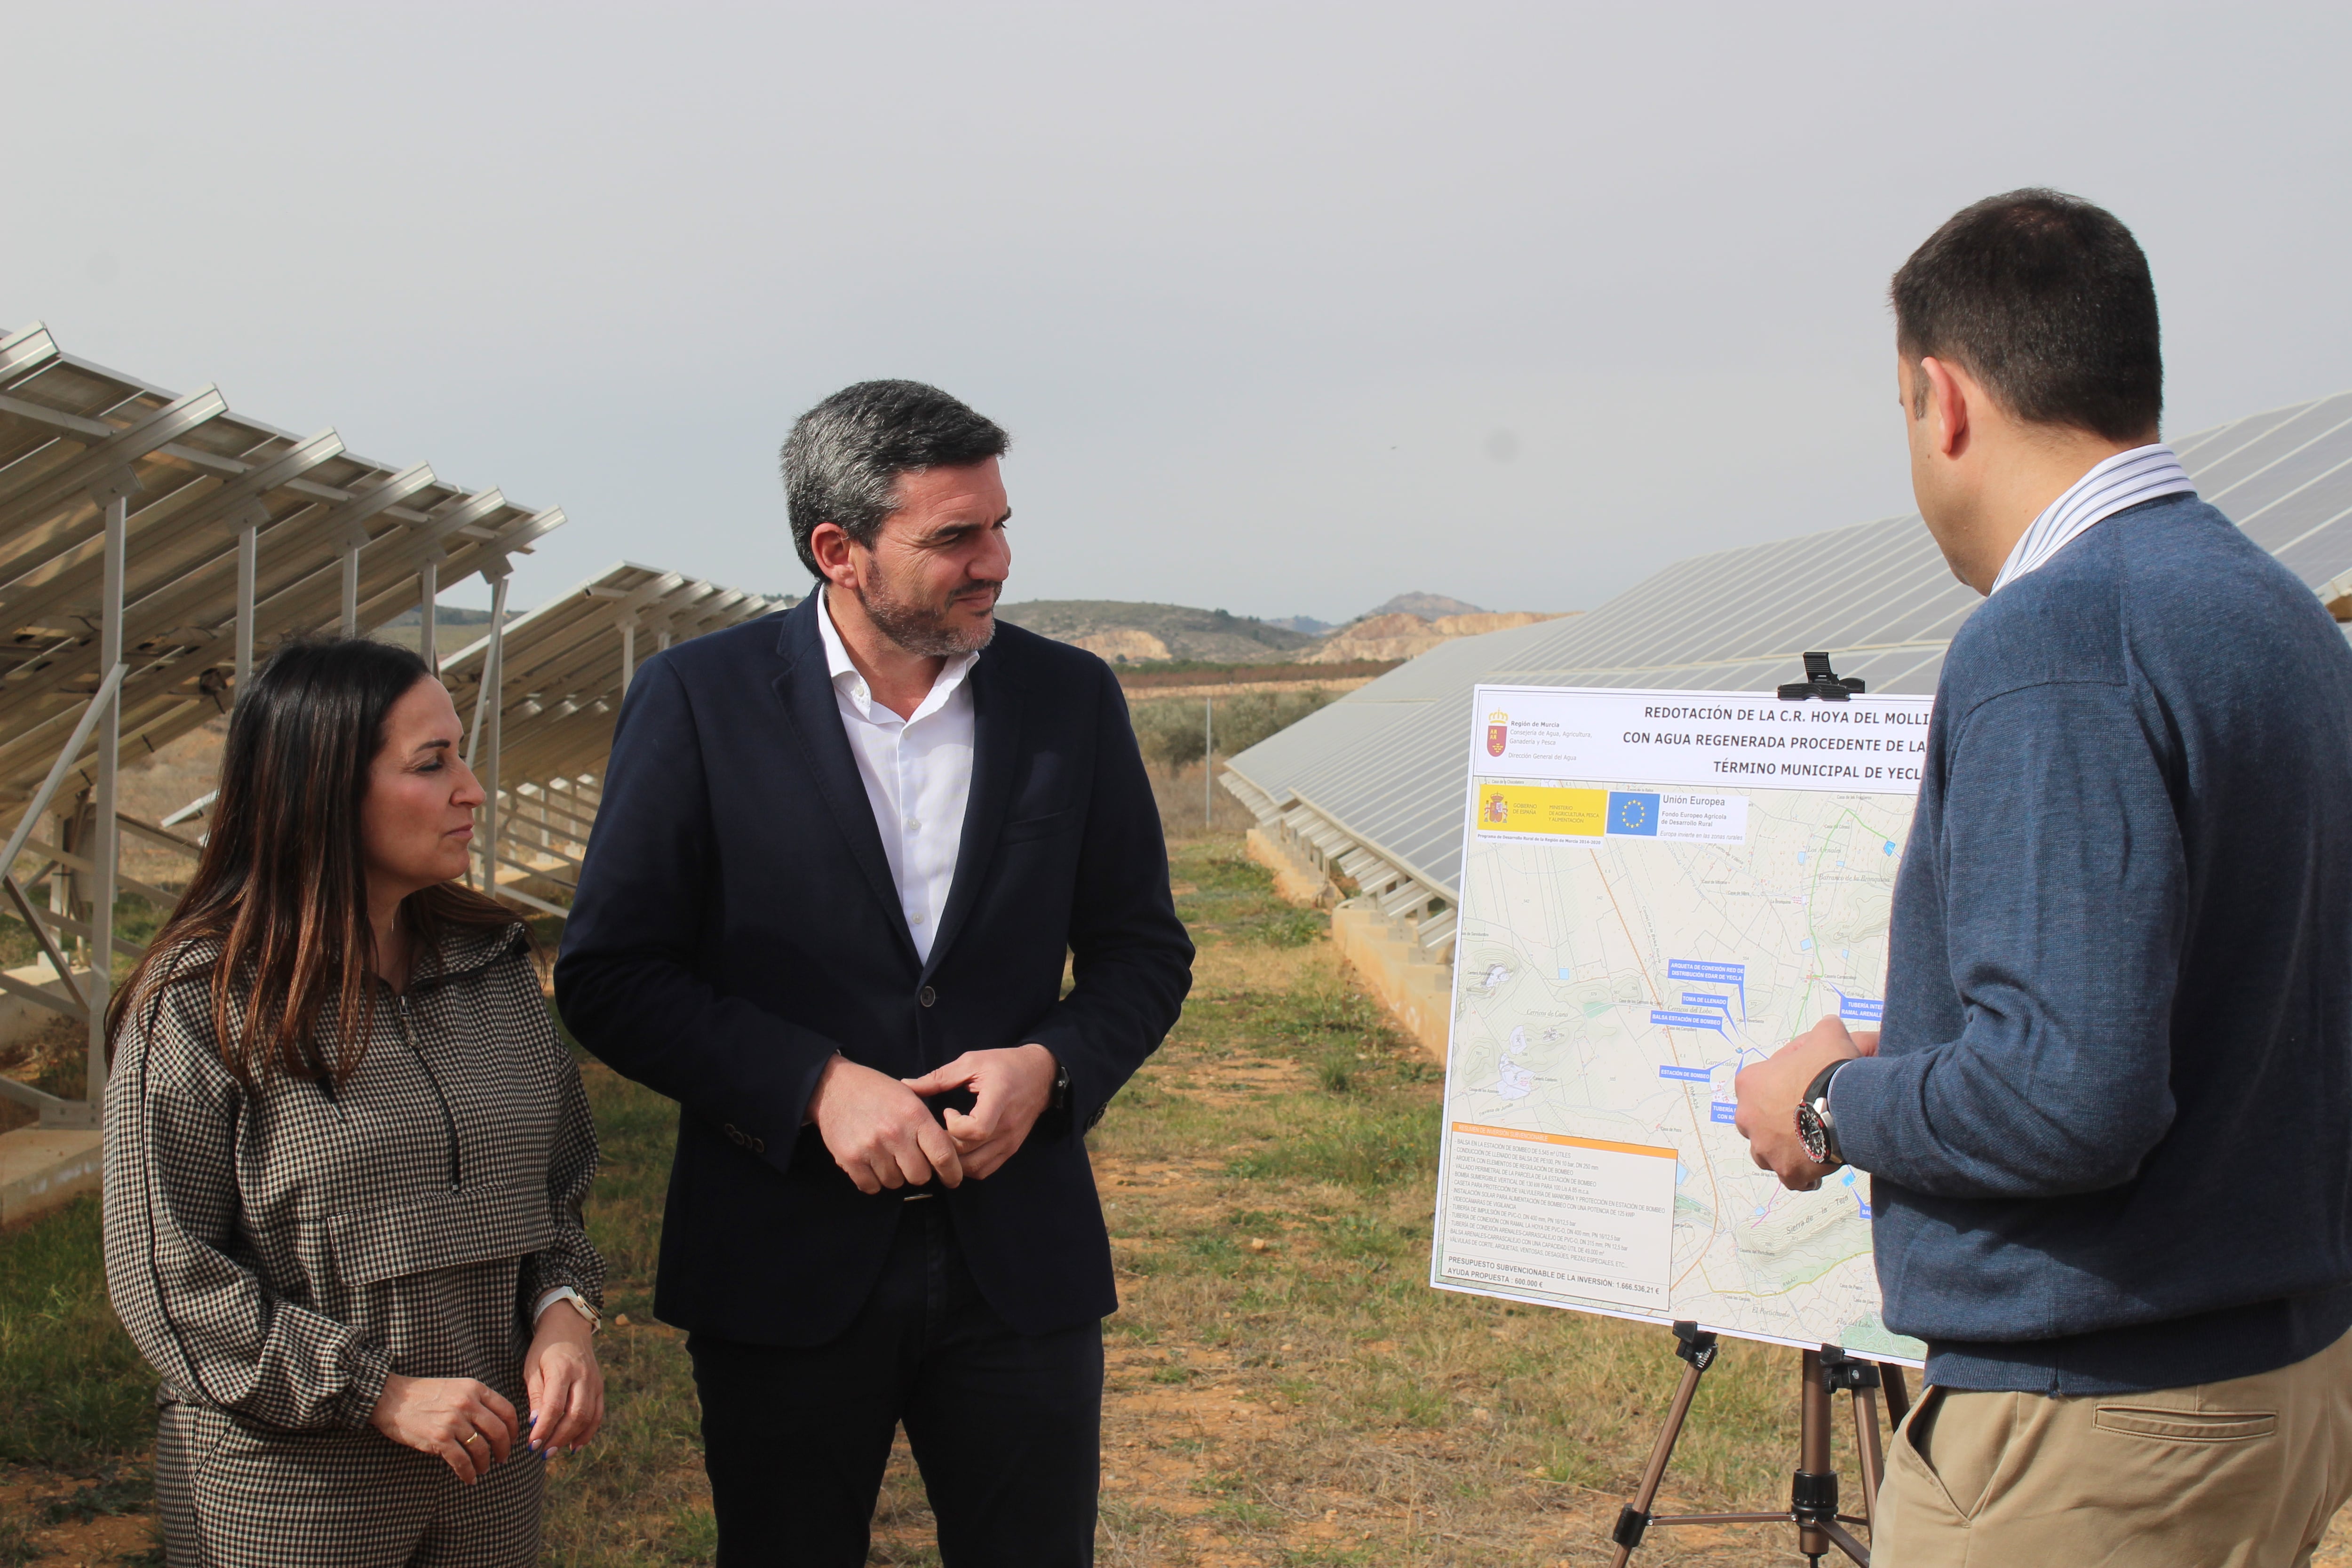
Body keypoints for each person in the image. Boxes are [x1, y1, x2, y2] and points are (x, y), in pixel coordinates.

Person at [1732, 189, 2352, 1565]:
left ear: (1941, 399)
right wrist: (1948, 1054)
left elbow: (2072, 1095)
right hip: (2274, 1380)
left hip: (2104, 1434)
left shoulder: (2057, 637)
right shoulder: (2278, 616)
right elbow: (2207, 1011)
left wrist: (1828, 1099)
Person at [555, 379, 1193, 1567]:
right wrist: (812, 1085)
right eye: (955, 536)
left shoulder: (1069, 700)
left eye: (1001, 525)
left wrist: (1050, 1064)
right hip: (782, 1258)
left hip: (1019, 1263)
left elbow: (1143, 953)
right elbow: (610, 972)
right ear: (836, 550)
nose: (994, 560)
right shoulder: (700, 701)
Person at [103, 638, 607, 1568]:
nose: (473, 788)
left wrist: (564, 1308)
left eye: (461, 753)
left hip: (488, 1469)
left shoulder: (489, 964)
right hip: (296, 1487)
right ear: (324, 790)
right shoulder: (201, 1001)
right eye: (432, 762)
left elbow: (560, 1186)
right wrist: (376, 1391)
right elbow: (164, 1272)